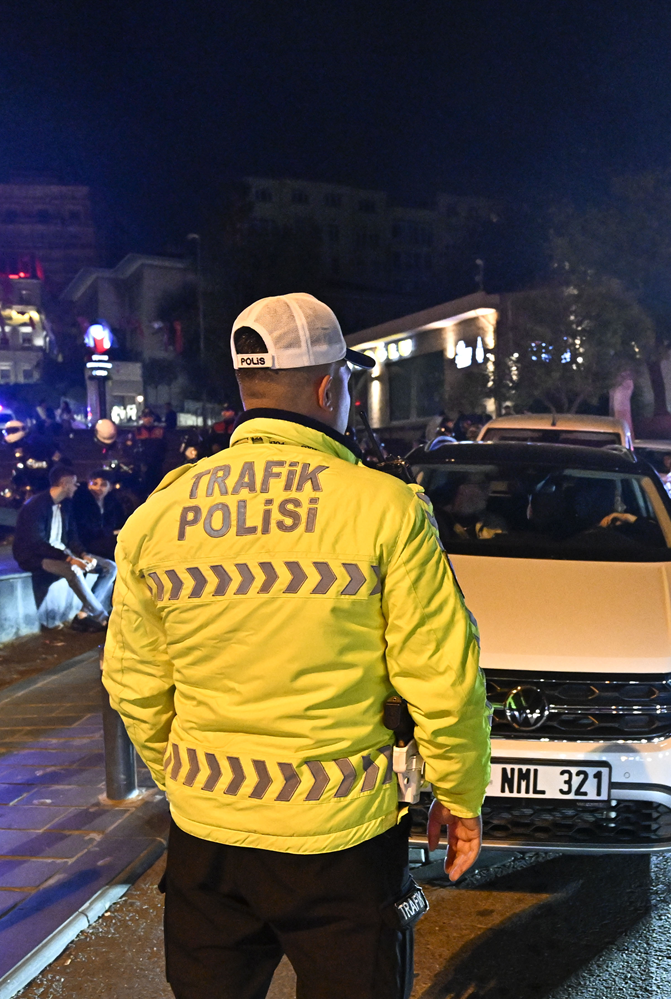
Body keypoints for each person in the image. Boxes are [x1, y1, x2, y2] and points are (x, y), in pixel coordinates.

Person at [103, 292, 490, 999]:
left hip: (207, 844)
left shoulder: (161, 513)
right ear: (327, 386)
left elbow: (132, 682)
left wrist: (192, 777)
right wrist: (460, 795)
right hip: (341, 844)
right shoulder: (386, 508)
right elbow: (444, 677)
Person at [12, 466, 116, 631]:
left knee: (110, 567)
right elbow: (37, 543)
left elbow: (72, 535)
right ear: (65, 483)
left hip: (62, 553)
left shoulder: (66, 504)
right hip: (36, 557)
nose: (76, 487)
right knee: (73, 570)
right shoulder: (35, 506)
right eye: (74, 483)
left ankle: (84, 615)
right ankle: (102, 618)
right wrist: (70, 559)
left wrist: (84, 554)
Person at [72, 471, 135, 561]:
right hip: (88, 542)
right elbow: (86, 530)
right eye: (94, 484)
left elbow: (120, 522)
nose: (98, 488)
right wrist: (111, 532)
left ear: (110, 487)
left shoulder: (113, 503)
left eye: (103, 485)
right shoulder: (82, 503)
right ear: (89, 486)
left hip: (107, 539)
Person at [134, 408, 168, 494]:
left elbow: (165, 446)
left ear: (153, 418)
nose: (147, 419)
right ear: (141, 418)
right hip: (142, 464)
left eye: (149, 416)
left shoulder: (160, 431)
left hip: (156, 463)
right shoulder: (137, 431)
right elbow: (133, 448)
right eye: (145, 417)